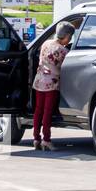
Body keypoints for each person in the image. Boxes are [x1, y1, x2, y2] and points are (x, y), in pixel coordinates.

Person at [33, 23, 74, 151]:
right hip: (52, 83)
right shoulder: (63, 51)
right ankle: (46, 140)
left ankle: (36, 139)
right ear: (67, 36)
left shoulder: (45, 43)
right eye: (70, 36)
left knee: (38, 110)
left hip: (39, 81)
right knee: (47, 112)